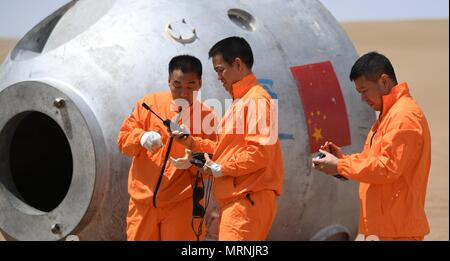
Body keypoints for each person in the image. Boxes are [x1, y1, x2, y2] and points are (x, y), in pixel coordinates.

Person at [171, 36, 284, 240]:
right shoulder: (241, 102)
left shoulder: (257, 101)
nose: (218, 77)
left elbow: (259, 154)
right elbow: (225, 149)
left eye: (220, 70)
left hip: (247, 201)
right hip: (239, 201)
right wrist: (191, 143)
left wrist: (222, 168)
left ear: (238, 64)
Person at [312, 52, 431, 241]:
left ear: (384, 81)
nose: (363, 98)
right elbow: (371, 161)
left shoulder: (403, 117)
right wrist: (341, 161)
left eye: (364, 90)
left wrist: (340, 166)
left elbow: (387, 168)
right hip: (386, 228)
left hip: (398, 231)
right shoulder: (389, 116)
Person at [117, 55, 217, 241]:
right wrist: (141, 138)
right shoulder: (148, 105)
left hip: (182, 205)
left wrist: (193, 160)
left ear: (200, 84)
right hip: (142, 204)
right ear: (168, 81)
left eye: (190, 86)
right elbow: (123, 141)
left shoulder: (207, 117)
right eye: (177, 85)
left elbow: (215, 159)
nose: (183, 93)